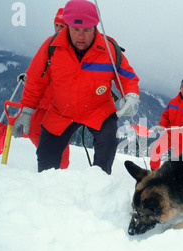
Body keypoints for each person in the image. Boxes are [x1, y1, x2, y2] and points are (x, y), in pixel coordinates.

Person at [13, 0, 140, 174]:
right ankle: (49, 193)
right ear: (67, 27)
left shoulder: (109, 49)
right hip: (61, 112)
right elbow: (35, 80)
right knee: (46, 163)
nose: (81, 36)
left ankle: (99, 185)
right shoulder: (52, 47)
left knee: (108, 142)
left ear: (95, 27)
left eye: (87, 30)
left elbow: (126, 77)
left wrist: (131, 94)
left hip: (98, 110)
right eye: (75, 30)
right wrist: (26, 111)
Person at [26, 8, 70, 170]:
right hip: (43, 100)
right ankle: (51, 159)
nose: (58, 29)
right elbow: (40, 68)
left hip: (57, 104)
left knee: (58, 137)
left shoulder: (70, 49)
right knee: (32, 131)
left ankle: (60, 168)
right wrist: (28, 76)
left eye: (62, 26)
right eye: (56, 25)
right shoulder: (50, 43)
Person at [150, 78, 183, 170]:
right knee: (155, 152)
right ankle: (154, 174)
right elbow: (165, 116)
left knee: (178, 162)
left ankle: (176, 181)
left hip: (182, 138)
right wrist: (162, 126)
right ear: (180, 88)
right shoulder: (172, 102)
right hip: (169, 135)